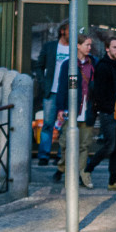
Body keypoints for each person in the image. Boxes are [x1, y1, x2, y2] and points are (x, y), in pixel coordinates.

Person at [52, 35, 96, 188]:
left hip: (87, 109)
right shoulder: (68, 65)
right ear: (77, 46)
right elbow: (62, 87)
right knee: (66, 144)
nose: (89, 48)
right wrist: (60, 109)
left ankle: (82, 174)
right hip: (72, 110)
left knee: (84, 145)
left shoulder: (93, 63)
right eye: (86, 45)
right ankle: (62, 168)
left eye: (90, 45)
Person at [84, 36, 116, 191]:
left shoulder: (115, 66)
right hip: (108, 112)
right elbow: (101, 92)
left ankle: (112, 182)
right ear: (107, 49)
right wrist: (106, 109)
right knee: (110, 146)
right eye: (115, 47)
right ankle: (88, 170)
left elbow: (114, 87)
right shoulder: (103, 66)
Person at [35, 23, 69, 166]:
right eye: (69, 30)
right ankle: (44, 155)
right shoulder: (50, 47)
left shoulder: (75, 48)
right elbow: (39, 65)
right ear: (62, 31)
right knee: (48, 124)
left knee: (65, 125)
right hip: (51, 91)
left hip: (67, 93)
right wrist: (43, 83)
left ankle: (61, 156)